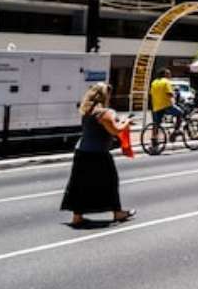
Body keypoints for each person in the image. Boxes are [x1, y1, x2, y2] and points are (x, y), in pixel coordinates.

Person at [62, 83, 136, 227]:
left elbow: (106, 127)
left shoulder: (87, 110)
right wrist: (126, 122)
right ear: (104, 95)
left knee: (80, 185)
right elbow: (115, 131)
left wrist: (119, 122)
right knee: (111, 181)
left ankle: (77, 216)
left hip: (81, 152)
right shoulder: (105, 112)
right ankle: (118, 212)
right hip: (98, 153)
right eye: (108, 94)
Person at [150, 68, 183, 136]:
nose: (170, 75)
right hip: (166, 106)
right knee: (180, 113)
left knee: (156, 124)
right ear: (165, 74)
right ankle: (176, 131)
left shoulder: (154, 82)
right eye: (169, 73)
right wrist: (174, 95)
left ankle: (154, 139)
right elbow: (169, 93)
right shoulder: (166, 81)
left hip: (156, 106)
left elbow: (151, 94)